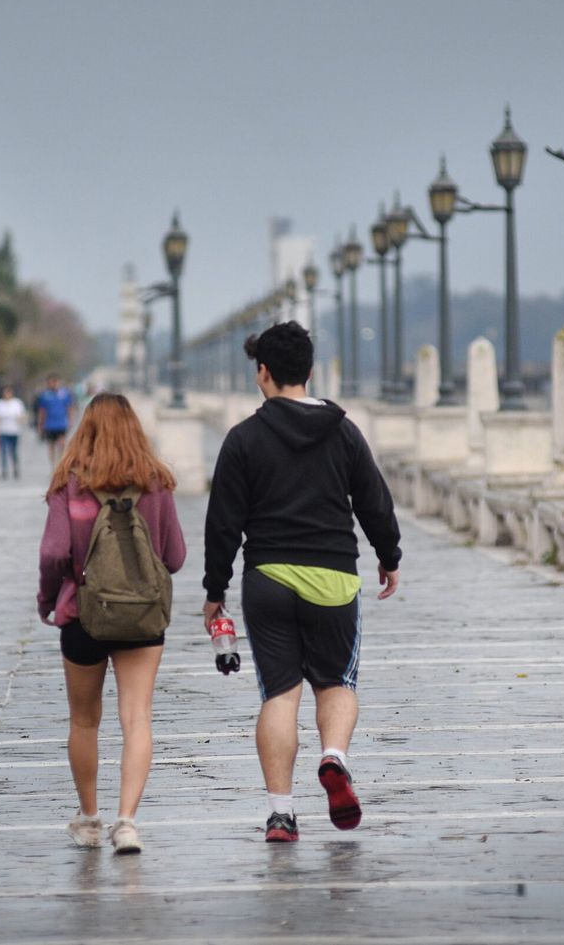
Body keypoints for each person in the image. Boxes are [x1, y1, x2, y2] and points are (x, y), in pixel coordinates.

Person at [201, 321, 401, 843]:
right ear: (310, 372)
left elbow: (223, 522)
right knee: (336, 684)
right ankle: (333, 757)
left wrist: (214, 591)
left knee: (281, 695)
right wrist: (389, 554)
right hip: (334, 575)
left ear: (262, 374)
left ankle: (281, 814)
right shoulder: (343, 431)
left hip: (268, 578)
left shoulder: (243, 438)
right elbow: (375, 501)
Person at [37, 393, 186, 854]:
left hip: (83, 615)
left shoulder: (70, 484)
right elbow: (176, 557)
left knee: (85, 721)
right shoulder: (157, 484)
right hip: (143, 617)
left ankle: (88, 819)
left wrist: (48, 599)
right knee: (136, 717)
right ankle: (127, 822)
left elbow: (53, 552)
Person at [34, 373, 78, 464]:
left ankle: (60, 463)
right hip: (49, 424)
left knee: (62, 444)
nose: (53, 384)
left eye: (55, 382)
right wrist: (40, 424)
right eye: (51, 382)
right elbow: (42, 411)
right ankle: (53, 465)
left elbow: (70, 408)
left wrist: (71, 420)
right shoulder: (45, 395)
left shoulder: (65, 394)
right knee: (51, 445)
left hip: (61, 423)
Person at [0, 385, 26, 479]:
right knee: (3, 451)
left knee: (14, 451)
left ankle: (15, 469)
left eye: (8, 392)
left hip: (14, 431)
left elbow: (22, 416)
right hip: (3, 431)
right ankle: (4, 470)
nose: (7, 395)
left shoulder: (17, 403)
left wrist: (20, 419)